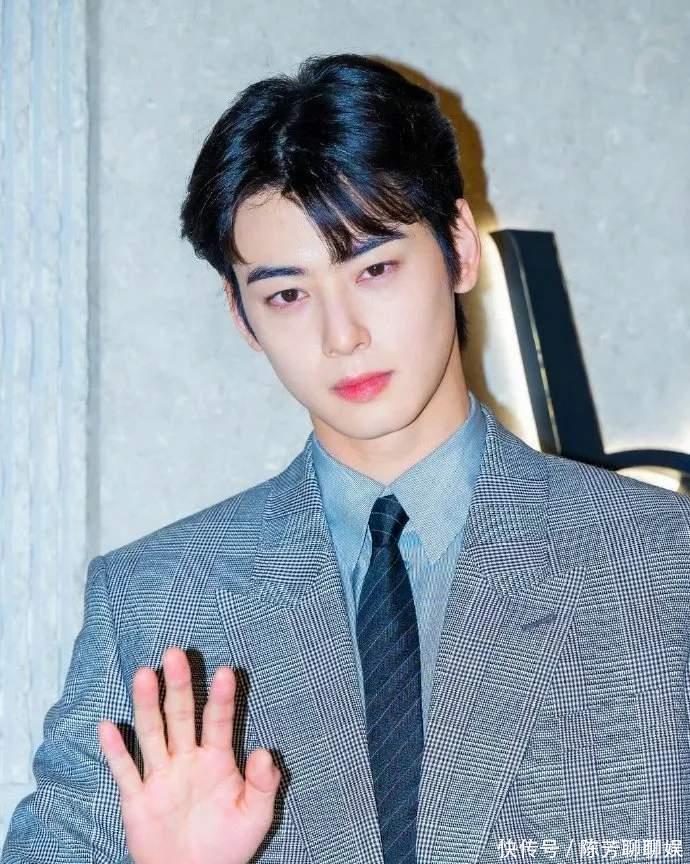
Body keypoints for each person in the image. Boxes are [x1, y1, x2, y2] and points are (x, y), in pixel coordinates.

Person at [2, 51, 689, 864]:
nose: (343, 335)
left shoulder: (662, 562)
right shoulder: (154, 605)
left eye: (376, 268)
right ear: (241, 314)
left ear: (460, 247)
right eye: (288, 294)